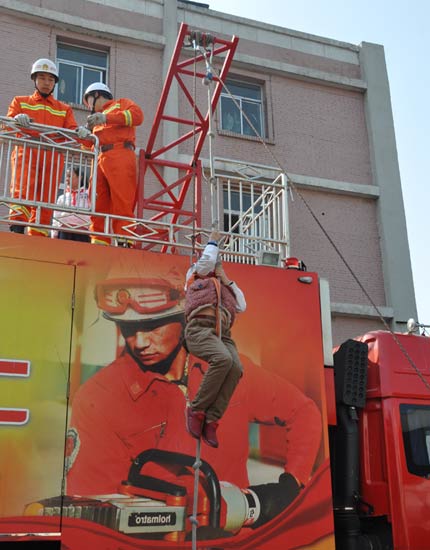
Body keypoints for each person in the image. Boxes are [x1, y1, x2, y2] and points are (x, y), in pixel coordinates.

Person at [66, 265, 323, 531]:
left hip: (238, 542)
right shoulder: (99, 398)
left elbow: (303, 412)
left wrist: (291, 484)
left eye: (152, 326)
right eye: (127, 328)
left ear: (184, 319)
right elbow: (95, 512)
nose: (139, 342)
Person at [6, 58, 84, 236]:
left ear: (55, 83)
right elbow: (6, 126)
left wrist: (80, 132)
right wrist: (15, 120)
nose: (46, 83)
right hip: (26, 154)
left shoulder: (64, 109)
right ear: (34, 80)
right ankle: (17, 230)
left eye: (50, 79)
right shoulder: (20, 102)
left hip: (52, 159)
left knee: (46, 198)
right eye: (42, 78)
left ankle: (38, 236)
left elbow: (72, 133)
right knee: (22, 192)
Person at [184, 230, 246, 448]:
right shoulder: (194, 274)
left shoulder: (224, 286)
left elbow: (242, 305)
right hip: (199, 329)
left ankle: (212, 419)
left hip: (223, 334)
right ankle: (196, 409)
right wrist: (212, 241)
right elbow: (207, 262)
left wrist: (226, 279)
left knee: (236, 368)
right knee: (223, 359)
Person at [79, 82, 143, 246]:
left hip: (120, 153)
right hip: (100, 158)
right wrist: (84, 134)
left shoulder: (121, 104)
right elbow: (87, 145)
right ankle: (99, 241)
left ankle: (124, 240)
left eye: (88, 101)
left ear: (96, 95)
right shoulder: (95, 121)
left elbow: (137, 116)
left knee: (122, 201)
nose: (89, 106)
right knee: (97, 202)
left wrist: (107, 118)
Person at [52, 166, 91, 242]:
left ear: (80, 177)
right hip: (64, 231)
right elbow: (56, 217)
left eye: (69, 176)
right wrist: (54, 234)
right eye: (66, 176)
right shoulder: (62, 197)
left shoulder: (88, 195)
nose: (67, 179)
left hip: (83, 232)